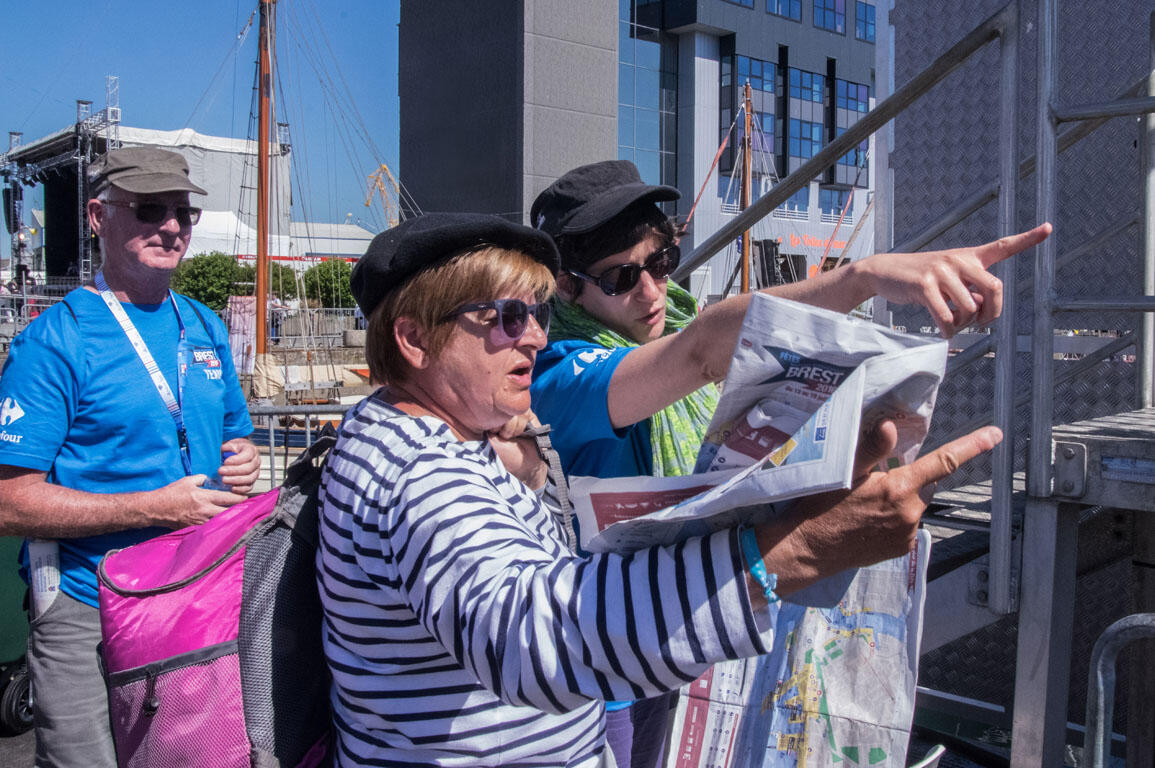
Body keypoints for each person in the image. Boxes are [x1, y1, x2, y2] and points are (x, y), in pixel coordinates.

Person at [317, 211, 1002, 767]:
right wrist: (799, 549)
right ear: (414, 339)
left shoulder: (421, 437)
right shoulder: (420, 467)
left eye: (537, 314)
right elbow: (530, 640)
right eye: (505, 317)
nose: (534, 340)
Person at [527, 159, 1052, 765]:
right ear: (565, 286)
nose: (650, 292)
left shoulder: (666, 327)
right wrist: (863, 277)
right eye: (621, 278)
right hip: (605, 675)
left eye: (661, 263)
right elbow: (702, 352)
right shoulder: (558, 374)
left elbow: (702, 350)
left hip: (676, 641)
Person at [0, 146, 261, 768]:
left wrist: (246, 457)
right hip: (89, 603)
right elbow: (9, 502)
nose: (171, 226)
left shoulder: (204, 325)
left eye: (183, 213)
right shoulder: (55, 340)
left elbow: (236, 435)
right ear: (98, 216)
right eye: (148, 210)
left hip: (196, 591)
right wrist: (154, 507)